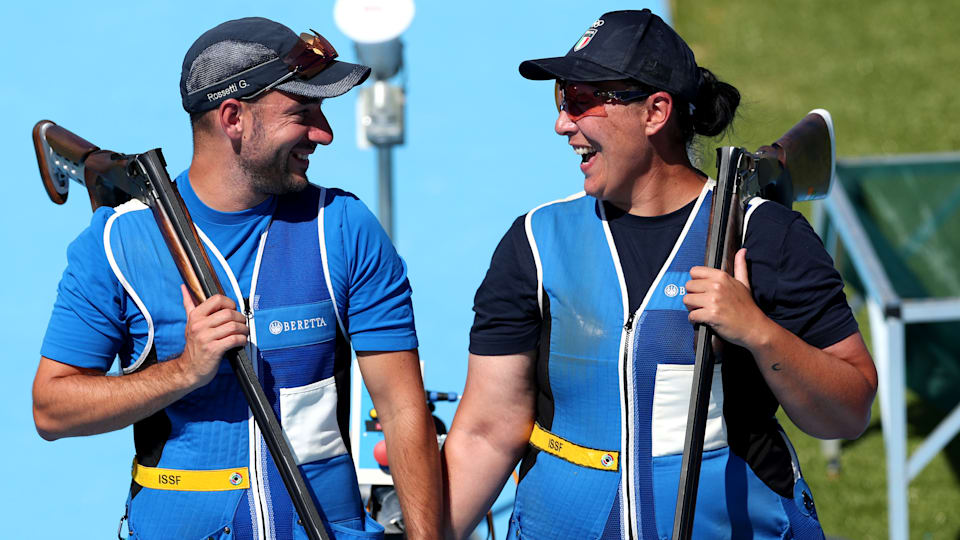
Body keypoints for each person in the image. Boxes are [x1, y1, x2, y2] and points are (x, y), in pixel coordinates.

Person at [442, 9, 877, 540]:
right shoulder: (533, 242)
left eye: (581, 101)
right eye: (562, 99)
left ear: (655, 112)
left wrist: (758, 333)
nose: (562, 123)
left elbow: (849, 411)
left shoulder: (766, 235)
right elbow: (488, 432)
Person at [32, 17, 441, 540]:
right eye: (303, 111)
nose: (326, 133)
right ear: (233, 117)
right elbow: (52, 408)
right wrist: (184, 370)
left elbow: (403, 408)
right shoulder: (115, 243)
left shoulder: (344, 227)